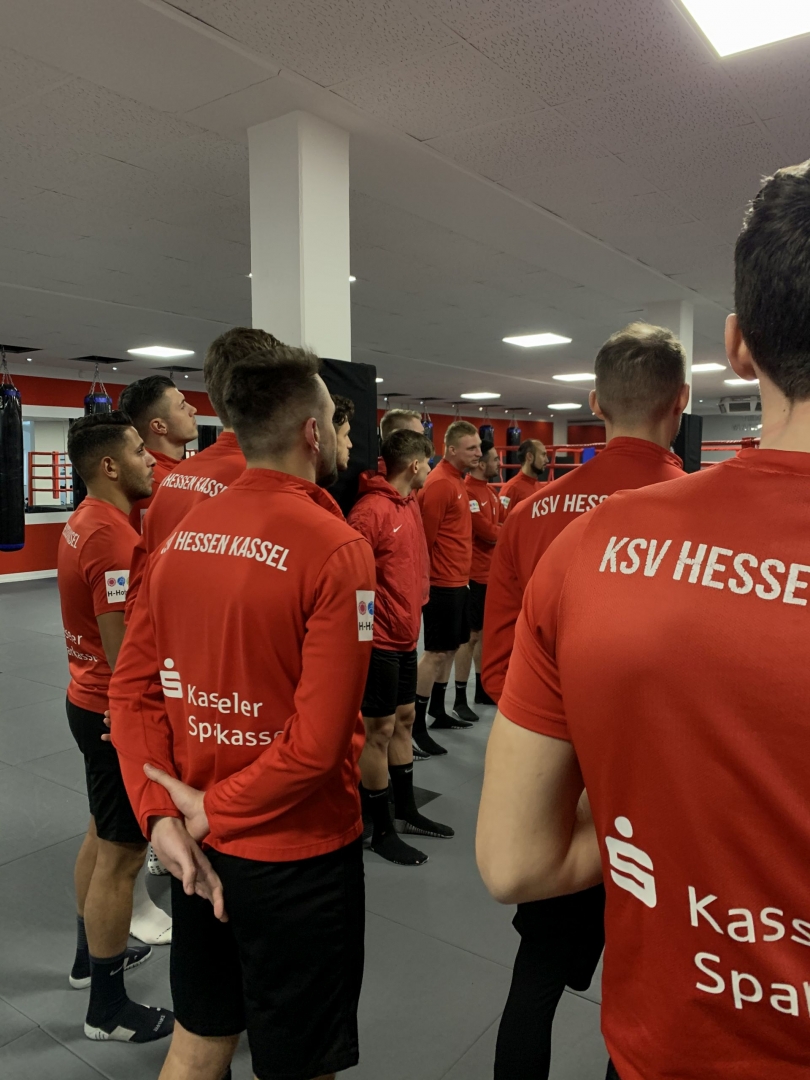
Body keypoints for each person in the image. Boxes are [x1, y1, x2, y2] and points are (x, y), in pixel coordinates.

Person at [478, 160, 810, 1080]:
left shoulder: (577, 537)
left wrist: (625, 781)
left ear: (739, 345)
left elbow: (512, 854)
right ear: (686, 396)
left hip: (661, 1004)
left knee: (535, 981)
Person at [110, 345, 375, 1080]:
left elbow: (131, 694)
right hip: (296, 852)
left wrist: (162, 818)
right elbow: (318, 746)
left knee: (199, 1042)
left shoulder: (177, 539)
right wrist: (200, 813)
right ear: (314, 433)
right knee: (301, 1065)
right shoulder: (339, 549)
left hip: (196, 848)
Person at [480, 322, 686, 1080]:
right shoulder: (703, 514)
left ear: (596, 404)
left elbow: (500, 667)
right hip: (665, 798)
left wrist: (562, 751)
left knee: (535, 979)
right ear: (681, 402)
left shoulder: (532, 512)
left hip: (558, 789)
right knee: (661, 991)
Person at [57, 411, 173, 1044]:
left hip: (86, 700)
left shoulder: (84, 520)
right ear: (109, 465)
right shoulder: (111, 538)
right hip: (108, 712)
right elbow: (121, 646)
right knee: (123, 859)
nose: (150, 458)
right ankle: (106, 1009)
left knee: (102, 834)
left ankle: (88, 961)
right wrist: (143, 718)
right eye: (137, 450)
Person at [348, 429, 454, 865]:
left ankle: (407, 811)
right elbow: (352, 583)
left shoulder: (409, 504)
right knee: (379, 731)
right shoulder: (369, 511)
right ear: (413, 465)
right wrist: (366, 637)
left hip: (407, 635)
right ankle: (381, 830)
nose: (430, 468)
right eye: (427, 462)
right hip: (379, 641)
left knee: (406, 720)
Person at [413, 420, 481, 755]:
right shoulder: (440, 483)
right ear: (451, 449)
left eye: (479, 446)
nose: (478, 453)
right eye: (472, 448)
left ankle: (438, 711)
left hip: (459, 581)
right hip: (441, 584)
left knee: (453, 647)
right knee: (436, 652)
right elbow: (424, 540)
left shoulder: (457, 480)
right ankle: (415, 725)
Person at [452, 440, 503, 720]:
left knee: (483, 634)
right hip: (473, 574)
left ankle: (481, 689)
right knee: (469, 637)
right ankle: (459, 698)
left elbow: (504, 525)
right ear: (482, 464)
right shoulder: (469, 490)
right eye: (494, 459)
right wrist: (500, 531)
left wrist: (500, 531)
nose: (499, 464)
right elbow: (489, 532)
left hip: (490, 575)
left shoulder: (491, 493)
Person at [117, 375, 198, 532]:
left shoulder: (185, 473)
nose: (193, 410)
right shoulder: (147, 482)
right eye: (182, 406)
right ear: (160, 426)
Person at [498, 439, 548, 516]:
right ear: (529, 456)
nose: (547, 460)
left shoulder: (538, 486)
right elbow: (502, 520)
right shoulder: (511, 489)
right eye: (543, 455)